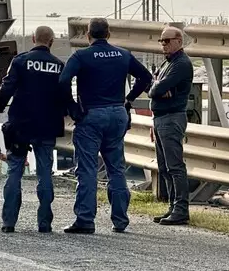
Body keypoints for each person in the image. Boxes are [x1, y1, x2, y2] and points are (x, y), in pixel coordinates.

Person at [58, 17, 152, 234]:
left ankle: (85, 219)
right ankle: (120, 220)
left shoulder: (81, 55)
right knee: (116, 168)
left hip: (91, 114)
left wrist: (72, 107)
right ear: (108, 34)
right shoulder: (123, 54)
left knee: (88, 169)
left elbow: (63, 82)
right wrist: (129, 99)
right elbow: (146, 77)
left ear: (88, 35)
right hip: (118, 112)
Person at [0, 25, 70, 233]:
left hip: (20, 126)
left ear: (34, 38)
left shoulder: (20, 61)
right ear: (51, 42)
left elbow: (7, 86)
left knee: (14, 172)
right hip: (47, 126)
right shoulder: (59, 65)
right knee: (45, 173)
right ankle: (44, 223)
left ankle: (9, 222)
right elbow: (65, 97)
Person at [149, 25, 193, 225]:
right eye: (161, 41)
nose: (163, 45)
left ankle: (181, 209)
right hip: (160, 118)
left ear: (178, 41)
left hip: (172, 117)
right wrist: (157, 87)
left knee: (175, 166)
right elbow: (154, 86)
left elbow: (158, 89)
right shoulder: (168, 63)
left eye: (167, 41)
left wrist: (158, 88)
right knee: (164, 166)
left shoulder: (181, 63)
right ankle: (173, 207)